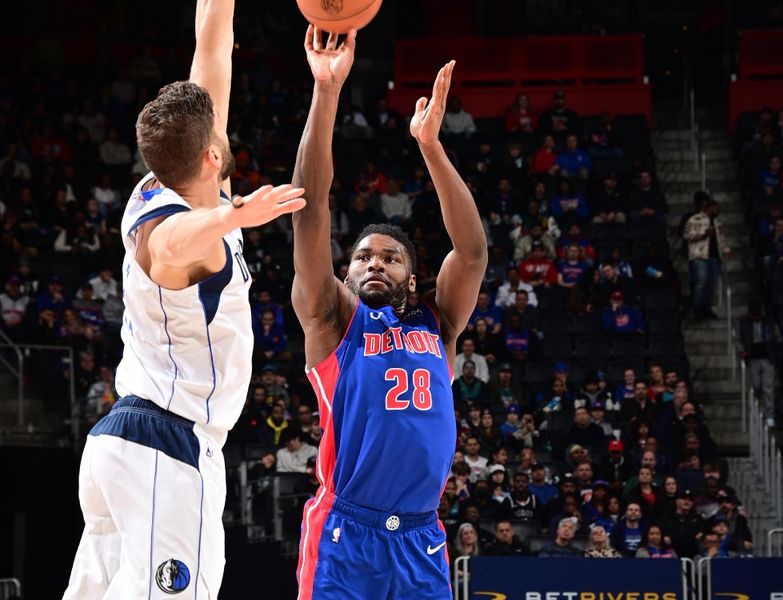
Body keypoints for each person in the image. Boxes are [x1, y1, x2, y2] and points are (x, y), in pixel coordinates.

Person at [63, 2, 307, 598]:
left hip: (123, 441)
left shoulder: (164, 178)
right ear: (211, 157)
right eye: (220, 135)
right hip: (168, 448)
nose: (225, 134)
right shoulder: (184, 234)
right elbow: (169, 245)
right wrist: (234, 215)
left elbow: (212, 49)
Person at [290, 30, 488, 596]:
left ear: (413, 276)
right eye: (362, 257)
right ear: (345, 274)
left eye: (391, 257)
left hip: (421, 538)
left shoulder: (439, 323)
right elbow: (311, 207)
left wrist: (431, 146)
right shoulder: (333, 321)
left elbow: (472, 251)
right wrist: (326, 90)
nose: (375, 264)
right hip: (345, 530)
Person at [737, 300, 781, 427]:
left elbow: (778, 338)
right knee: (755, 386)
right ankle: (757, 412)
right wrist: (742, 351)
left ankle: (770, 416)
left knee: (769, 387)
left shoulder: (770, 322)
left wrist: (775, 349)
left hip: (768, 358)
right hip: (752, 358)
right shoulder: (743, 323)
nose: (757, 317)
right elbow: (738, 340)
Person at [683, 198, 730, 319]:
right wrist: (703, 235)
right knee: (700, 284)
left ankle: (707, 309)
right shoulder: (695, 219)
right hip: (699, 256)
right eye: (716, 208)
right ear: (709, 207)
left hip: (714, 257)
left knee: (711, 285)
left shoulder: (717, 222)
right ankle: (698, 310)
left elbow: (721, 238)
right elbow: (687, 235)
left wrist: (725, 249)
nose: (718, 211)